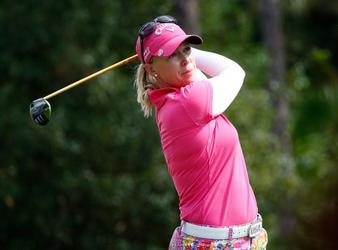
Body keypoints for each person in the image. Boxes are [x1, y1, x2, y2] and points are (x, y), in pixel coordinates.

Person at [134, 15, 268, 250]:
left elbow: (197, 75)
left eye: (186, 49)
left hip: (245, 239)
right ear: (151, 69)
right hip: (215, 243)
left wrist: (177, 52)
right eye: (172, 54)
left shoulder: (181, 98)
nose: (185, 59)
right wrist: (191, 56)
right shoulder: (185, 103)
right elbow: (235, 72)